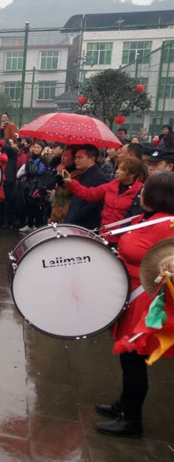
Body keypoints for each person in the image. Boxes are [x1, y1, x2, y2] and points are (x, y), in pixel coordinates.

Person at [95, 172, 174, 438]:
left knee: (133, 360)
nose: (141, 192)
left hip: (146, 299)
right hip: (135, 294)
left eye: (146, 189)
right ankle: (124, 404)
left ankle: (131, 420)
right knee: (128, 358)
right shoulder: (150, 218)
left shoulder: (167, 225)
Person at [62, 158, 145, 243]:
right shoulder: (111, 186)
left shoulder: (141, 191)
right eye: (118, 168)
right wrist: (71, 183)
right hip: (104, 235)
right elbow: (88, 194)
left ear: (132, 174)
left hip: (123, 238)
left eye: (122, 169)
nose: (117, 171)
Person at [64, 145, 108, 230]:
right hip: (75, 223)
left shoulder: (99, 177)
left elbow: (94, 204)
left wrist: (75, 216)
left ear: (92, 159)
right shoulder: (82, 174)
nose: (76, 160)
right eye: (76, 157)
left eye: (80, 158)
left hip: (85, 226)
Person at [18, 141, 48, 232]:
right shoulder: (31, 158)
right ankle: (29, 224)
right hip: (29, 184)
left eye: (38, 147)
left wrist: (38, 161)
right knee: (28, 205)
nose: (36, 149)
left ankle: (37, 225)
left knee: (36, 206)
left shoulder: (43, 160)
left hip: (37, 185)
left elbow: (38, 172)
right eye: (35, 147)